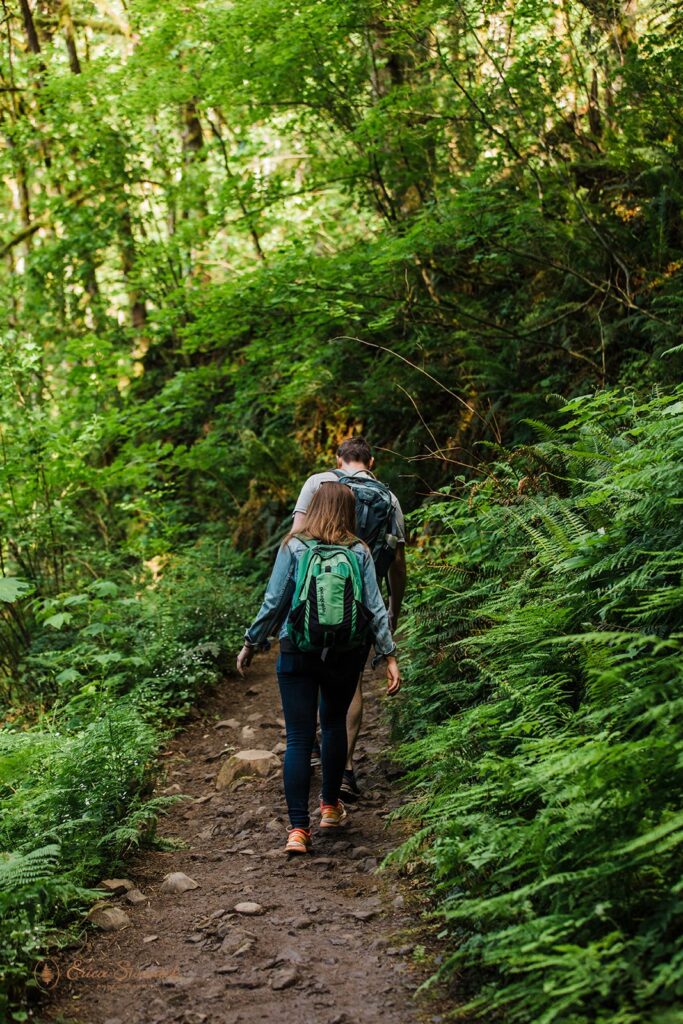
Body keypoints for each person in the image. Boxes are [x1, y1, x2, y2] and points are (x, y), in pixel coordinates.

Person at [236, 483, 401, 855]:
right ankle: (329, 808)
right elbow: (375, 607)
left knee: (298, 736)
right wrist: (388, 655)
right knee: (332, 725)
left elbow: (274, 600)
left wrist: (251, 643)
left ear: (311, 508)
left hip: (298, 648)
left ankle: (298, 830)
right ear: (349, 512)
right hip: (346, 651)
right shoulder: (358, 550)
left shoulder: (293, 546)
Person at [291, 436, 406, 800]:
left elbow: (296, 540)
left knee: (306, 669)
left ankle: (307, 744)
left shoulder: (318, 483)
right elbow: (398, 562)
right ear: (371, 461)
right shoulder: (389, 499)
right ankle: (344, 769)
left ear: (338, 459)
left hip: (312, 596)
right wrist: (392, 609)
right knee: (351, 680)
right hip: (359, 603)